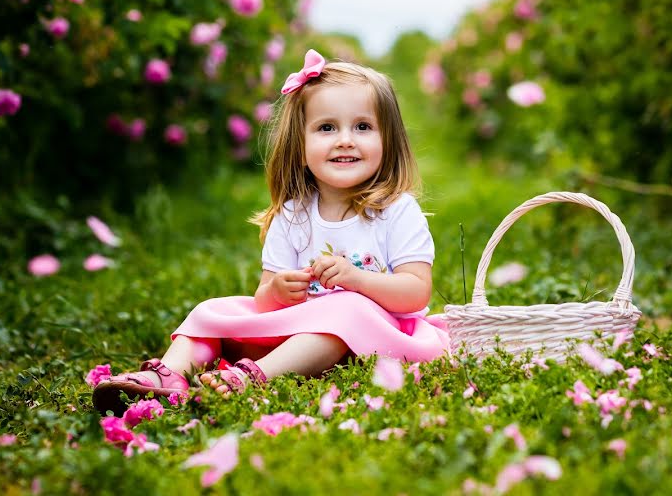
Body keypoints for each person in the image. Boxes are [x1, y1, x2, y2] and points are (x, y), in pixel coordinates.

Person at [93, 49, 449, 415]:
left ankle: (253, 377)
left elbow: (415, 293)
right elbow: (263, 301)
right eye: (327, 128)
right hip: (295, 330)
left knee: (345, 308)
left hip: (369, 333)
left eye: (363, 127)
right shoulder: (293, 215)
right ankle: (168, 377)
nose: (345, 140)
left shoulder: (395, 210)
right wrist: (278, 291)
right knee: (213, 309)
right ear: (300, 148)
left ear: (387, 141)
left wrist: (357, 280)